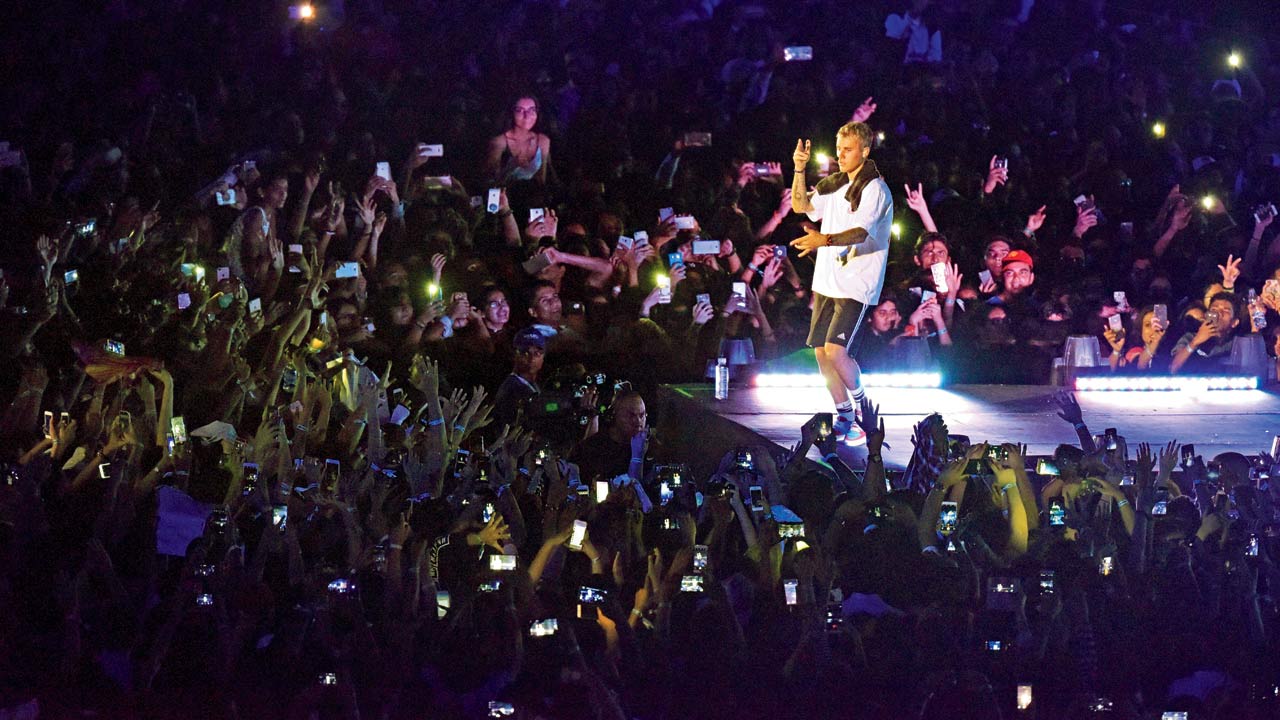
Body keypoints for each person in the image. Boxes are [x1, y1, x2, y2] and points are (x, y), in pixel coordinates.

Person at [788, 122, 893, 444]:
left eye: (847, 150)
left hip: (857, 283)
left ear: (864, 150)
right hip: (827, 282)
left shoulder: (874, 188)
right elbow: (800, 205)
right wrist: (799, 168)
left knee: (836, 351)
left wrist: (825, 240)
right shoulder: (833, 184)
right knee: (821, 353)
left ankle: (864, 407)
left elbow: (860, 232)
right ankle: (845, 416)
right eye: (839, 149)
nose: (841, 155)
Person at [485, 94, 553, 186]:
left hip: (533, 197)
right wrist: (510, 168)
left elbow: (541, 181)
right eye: (520, 110)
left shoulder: (543, 141)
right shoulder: (499, 142)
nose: (527, 115)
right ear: (511, 113)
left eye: (532, 110)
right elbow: (490, 183)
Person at [1171, 292, 1241, 374]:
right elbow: (1173, 368)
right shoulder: (1190, 337)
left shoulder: (1237, 343)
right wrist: (1195, 341)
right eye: (1214, 309)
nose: (1219, 314)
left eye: (1226, 311)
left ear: (1234, 322)